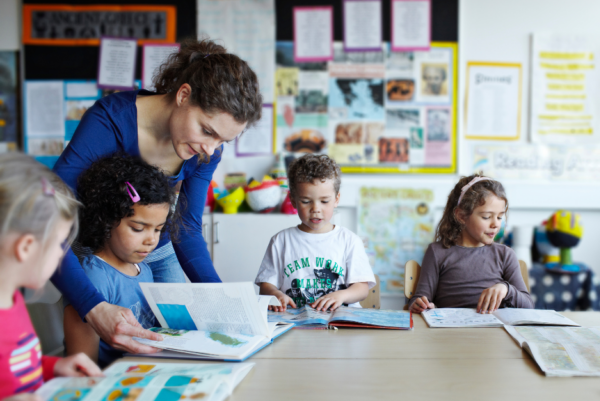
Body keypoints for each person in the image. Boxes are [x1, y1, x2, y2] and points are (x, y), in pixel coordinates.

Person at [50, 39, 262, 355]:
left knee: (174, 344)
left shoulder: (207, 151)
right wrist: (93, 306)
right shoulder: (109, 120)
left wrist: (223, 303)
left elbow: (186, 228)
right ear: (183, 95)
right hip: (96, 246)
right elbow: (49, 218)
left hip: (158, 249)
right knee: (101, 343)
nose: (210, 149)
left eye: (223, 141)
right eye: (207, 131)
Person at [0, 154, 101, 399]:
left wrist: (52, 367)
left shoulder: (12, 299)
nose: (62, 254)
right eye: (59, 243)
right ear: (26, 247)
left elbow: (16, 367)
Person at [63, 155, 179, 367]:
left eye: (158, 229)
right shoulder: (94, 277)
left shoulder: (143, 268)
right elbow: (82, 365)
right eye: (138, 228)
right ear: (106, 221)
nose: (151, 240)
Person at [256, 154, 375, 312]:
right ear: (293, 201)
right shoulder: (281, 241)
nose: (316, 209)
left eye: (324, 201)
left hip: (339, 321)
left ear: (336, 199)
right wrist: (276, 295)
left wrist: (341, 295)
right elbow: (266, 285)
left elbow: (362, 288)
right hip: (294, 321)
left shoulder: (349, 240)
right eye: (306, 201)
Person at [409, 174, 533, 314]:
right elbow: (419, 299)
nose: (495, 224)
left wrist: (506, 289)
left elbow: (528, 306)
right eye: (486, 217)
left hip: (494, 327)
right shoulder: (437, 252)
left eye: (499, 217)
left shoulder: (505, 254)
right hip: (451, 327)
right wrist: (420, 305)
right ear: (461, 216)